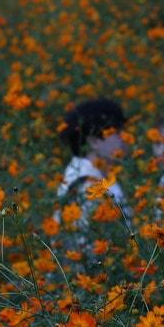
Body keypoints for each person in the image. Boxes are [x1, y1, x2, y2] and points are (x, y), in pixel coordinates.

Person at [55, 98, 130, 232]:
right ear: (94, 141)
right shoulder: (86, 185)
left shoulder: (95, 175)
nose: (125, 138)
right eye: (117, 133)